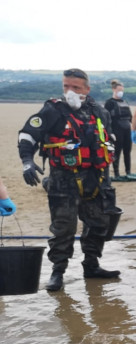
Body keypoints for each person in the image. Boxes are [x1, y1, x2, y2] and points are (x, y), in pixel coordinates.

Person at [17, 68, 120, 291]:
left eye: (76, 87)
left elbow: (109, 139)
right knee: (63, 227)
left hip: (96, 179)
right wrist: (27, 161)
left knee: (99, 224)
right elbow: (27, 135)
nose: (70, 91)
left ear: (87, 89)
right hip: (63, 180)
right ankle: (58, 272)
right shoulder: (52, 110)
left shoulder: (100, 112)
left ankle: (91, 266)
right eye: (66, 86)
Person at [104, 79, 133, 177]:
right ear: (114, 89)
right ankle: (116, 172)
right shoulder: (109, 103)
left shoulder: (125, 102)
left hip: (127, 129)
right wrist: (109, 131)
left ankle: (128, 171)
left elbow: (130, 116)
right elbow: (106, 118)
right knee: (117, 152)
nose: (121, 92)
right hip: (116, 129)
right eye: (119, 90)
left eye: (122, 90)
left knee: (127, 151)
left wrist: (135, 128)